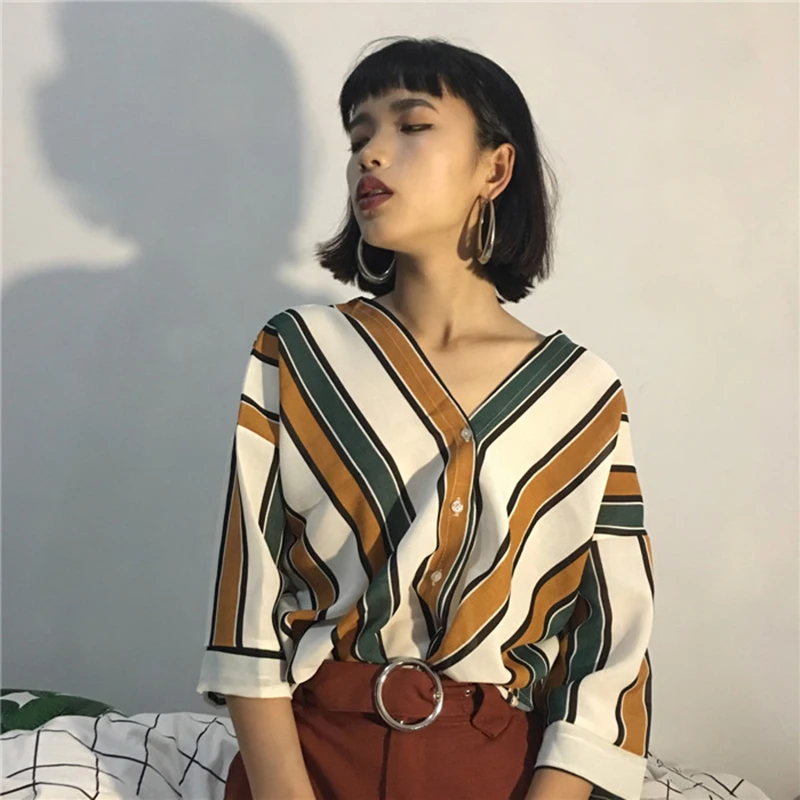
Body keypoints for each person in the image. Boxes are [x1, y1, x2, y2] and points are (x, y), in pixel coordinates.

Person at [197, 35, 654, 800]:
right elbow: (248, 600)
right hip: (307, 760)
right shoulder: (299, 353)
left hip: (495, 772)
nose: (371, 155)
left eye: (411, 125)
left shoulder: (583, 395)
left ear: (494, 170)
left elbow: (608, 647)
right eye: (358, 137)